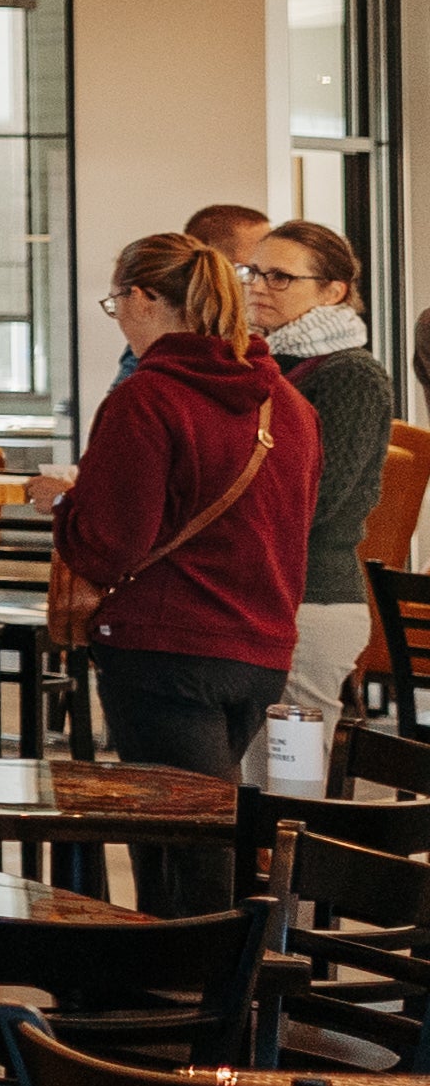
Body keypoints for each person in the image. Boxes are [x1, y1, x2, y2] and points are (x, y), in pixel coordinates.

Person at [54, 230, 320, 902]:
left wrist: (65, 506)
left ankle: (185, 997)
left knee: (181, 854)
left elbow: (107, 545)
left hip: (162, 647)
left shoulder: (147, 398)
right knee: (208, 836)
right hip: (259, 649)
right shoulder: (287, 404)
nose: (119, 318)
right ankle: (211, 991)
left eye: (117, 302)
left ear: (146, 298)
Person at [235, 217, 393, 750]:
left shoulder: (351, 374)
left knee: (288, 786)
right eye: (252, 272)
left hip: (313, 600)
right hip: (256, 594)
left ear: (333, 290)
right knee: (250, 788)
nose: (257, 286)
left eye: (279, 277)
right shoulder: (254, 363)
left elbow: (318, 501)